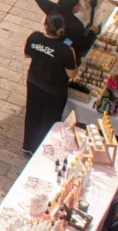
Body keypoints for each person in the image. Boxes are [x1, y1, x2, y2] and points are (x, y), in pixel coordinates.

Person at [22, 12, 77, 154]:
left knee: (32, 114)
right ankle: (42, 150)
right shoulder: (65, 50)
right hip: (55, 89)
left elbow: (27, 54)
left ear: (45, 25)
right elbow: (72, 74)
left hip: (34, 82)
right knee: (49, 120)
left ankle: (28, 145)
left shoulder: (34, 37)